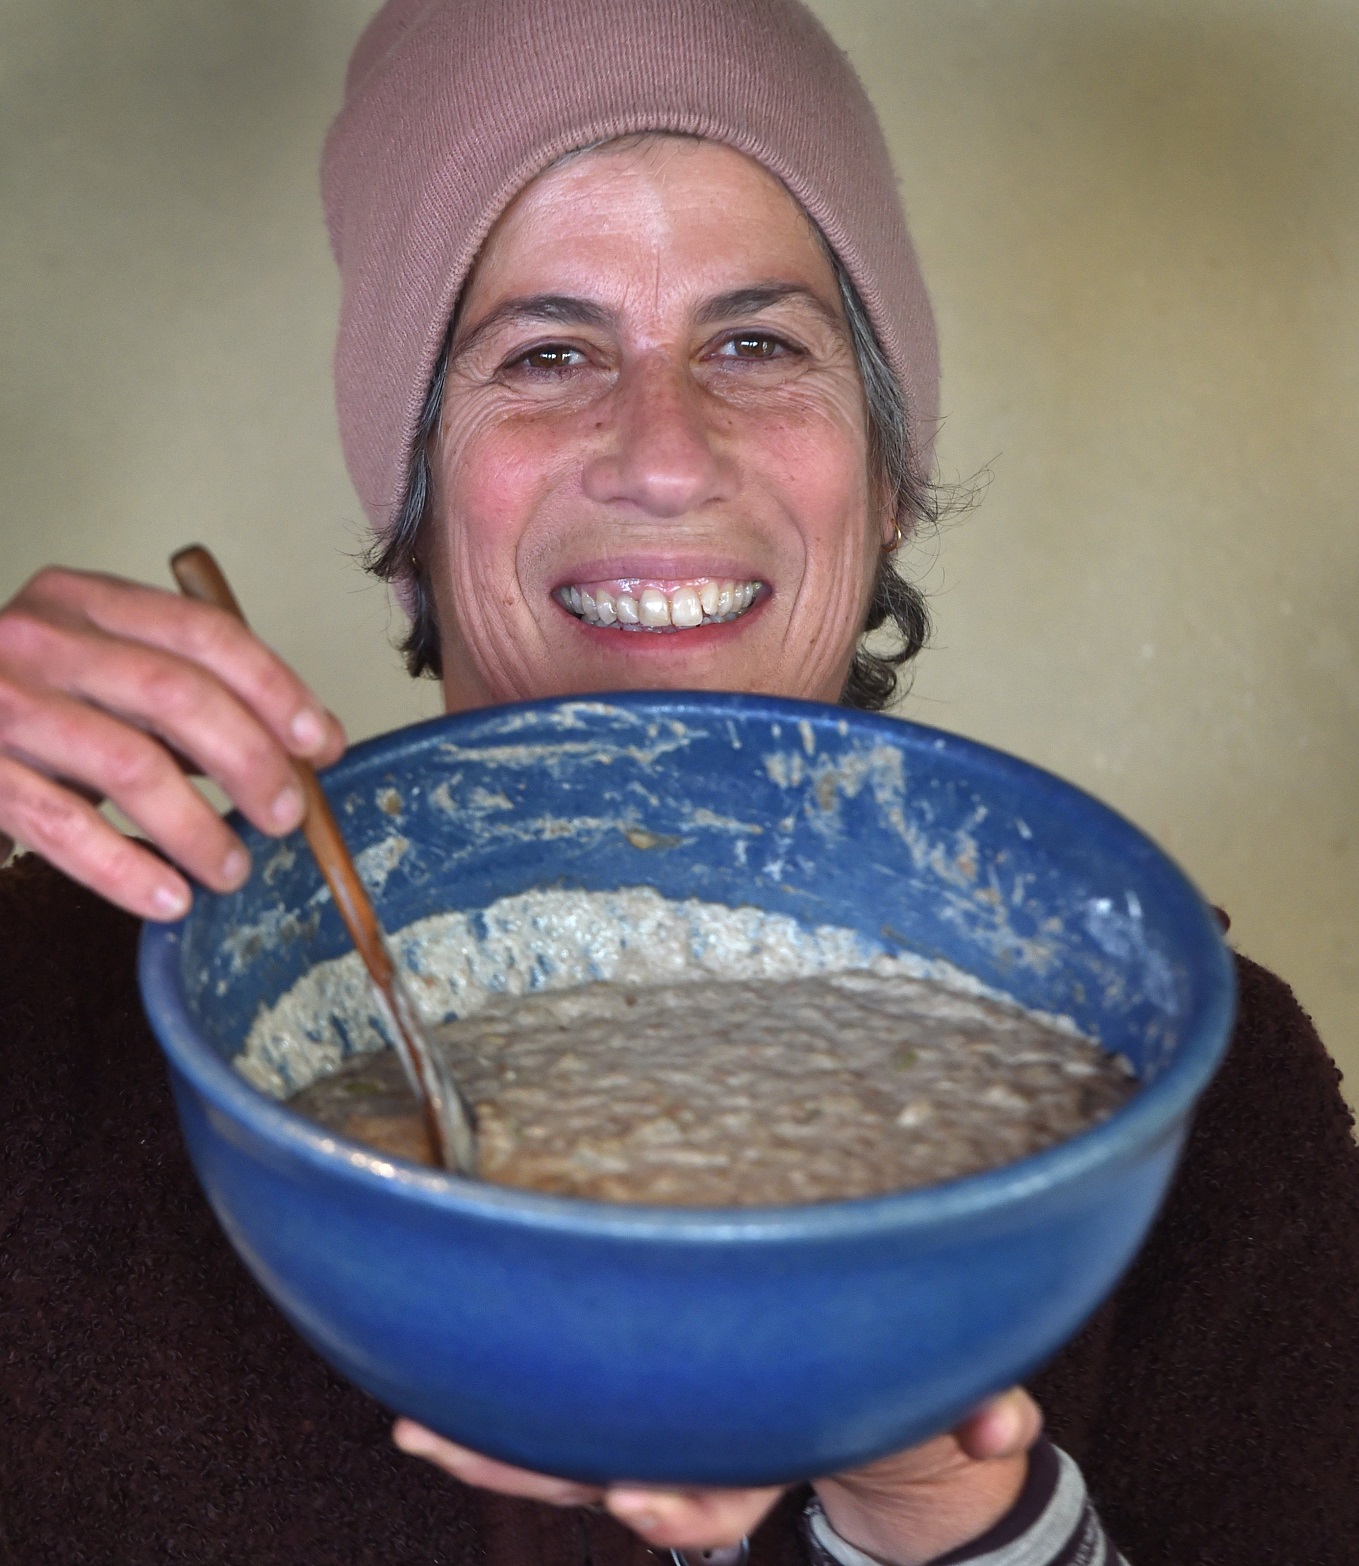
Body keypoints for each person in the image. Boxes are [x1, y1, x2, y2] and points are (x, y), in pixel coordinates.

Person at [0, 2, 1356, 1563]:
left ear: (889, 472)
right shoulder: (68, 999)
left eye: (756, 343)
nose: (663, 453)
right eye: (550, 350)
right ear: (414, 490)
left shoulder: (1196, 1090)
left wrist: (931, 1488)